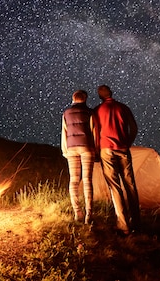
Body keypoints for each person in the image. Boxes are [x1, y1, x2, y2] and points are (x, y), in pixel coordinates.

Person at [94, 84, 141, 235]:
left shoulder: (97, 111)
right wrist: (128, 143)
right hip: (123, 149)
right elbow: (134, 128)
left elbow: (94, 131)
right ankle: (136, 221)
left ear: (100, 96)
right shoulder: (123, 108)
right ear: (111, 93)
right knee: (130, 185)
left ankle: (123, 225)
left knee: (115, 187)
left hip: (106, 150)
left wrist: (96, 149)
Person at [61, 89, 97, 224]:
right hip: (87, 147)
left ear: (73, 98)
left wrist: (65, 150)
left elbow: (64, 133)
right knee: (87, 180)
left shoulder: (66, 113)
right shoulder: (90, 112)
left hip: (71, 148)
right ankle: (89, 214)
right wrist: (96, 150)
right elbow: (94, 131)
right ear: (85, 99)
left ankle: (78, 212)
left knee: (74, 180)